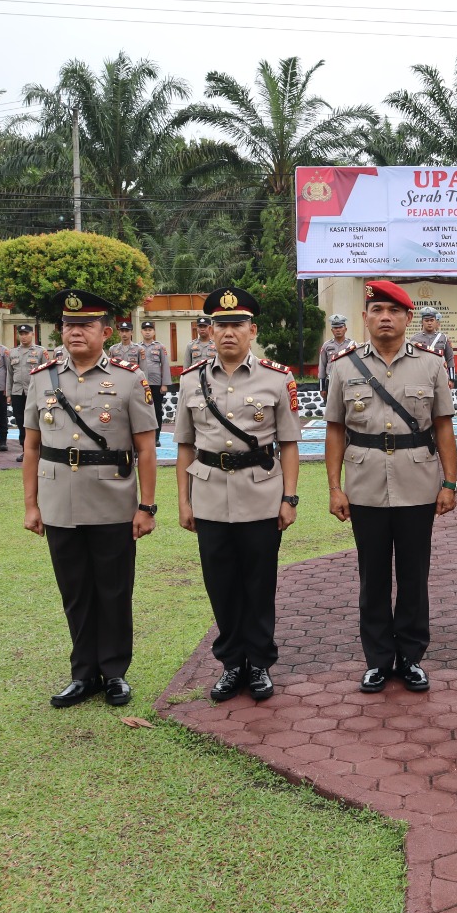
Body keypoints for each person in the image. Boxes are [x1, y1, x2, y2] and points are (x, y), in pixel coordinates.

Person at [23, 289, 159, 708]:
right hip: (59, 501)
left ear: (105, 331)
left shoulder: (129, 378)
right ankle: (83, 675)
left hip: (112, 501)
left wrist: (146, 506)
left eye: (84, 325)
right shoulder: (41, 378)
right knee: (75, 591)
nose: (75, 331)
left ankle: (115, 672)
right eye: (69, 324)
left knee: (114, 590)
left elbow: (147, 449)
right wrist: (31, 505)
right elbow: (31, 447)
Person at [324, 280, 457, 694]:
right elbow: (334, 429)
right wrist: (334, 487)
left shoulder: (431, 364)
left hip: (418, 482)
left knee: (415, 575)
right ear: (364, 317)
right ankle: (379, 660)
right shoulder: (343, 366)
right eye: (377, 310)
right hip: (364, 485)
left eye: (394, 311)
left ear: (407, 318)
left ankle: (412, 657)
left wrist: (450, 482)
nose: (385, 317)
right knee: (373, 576)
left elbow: (443, 426)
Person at [175, 286, 303, 703]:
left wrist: (289, 497)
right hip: (209, 495)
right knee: (221, 584)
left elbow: (288, 444)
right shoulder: (191, 379)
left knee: (259, 583)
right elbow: (184, 447)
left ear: (253, 330)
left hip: (261, 495)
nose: (227, 332)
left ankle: (260, 663)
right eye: (219, 325)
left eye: (236, 325)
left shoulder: (278, 378)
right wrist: (184, 500)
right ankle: (232, 664)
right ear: (209, 332)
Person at [8, 324, 50, 460]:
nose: (23, 336)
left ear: (32, 334)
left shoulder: (40, 351)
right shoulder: (13, 352)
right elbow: (9, 374)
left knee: (37, 421)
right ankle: (25, 450)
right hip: (18, 392)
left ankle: (41, 449)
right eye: (21, 333)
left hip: (35, 392)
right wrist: (8, 393)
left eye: (26, 333)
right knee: (21, 422)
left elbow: (47, 372)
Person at [409, 307, 456, 381]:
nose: (429, 323)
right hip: (421, 376)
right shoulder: (414, 339)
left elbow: (450, 359)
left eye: (431, 320)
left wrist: (452, 379)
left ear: (435, 321)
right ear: (422, 322)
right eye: (426, 320)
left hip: (440, 375)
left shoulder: (444, 338)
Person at [138, 321, 169, 427]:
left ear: (154, 332)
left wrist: (164, 384)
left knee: (157, 410)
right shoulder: (137, 347)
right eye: (145, 330)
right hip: (141, 384)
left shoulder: (160, 347)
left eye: (150, 330)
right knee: (141, 410)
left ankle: (156, 436)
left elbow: (165, 365)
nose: (147, 332)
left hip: (156, 384)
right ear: (141, 332)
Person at [317, 314, 348, 398]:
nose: (338, 330)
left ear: (345, 329)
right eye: (335, 328)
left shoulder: (352, 345)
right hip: (330, 382)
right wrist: (322, 388)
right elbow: (322, 366)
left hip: (347, 381)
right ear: (332, 330)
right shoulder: (326, 346)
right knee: (331, 409)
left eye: (340, 327)